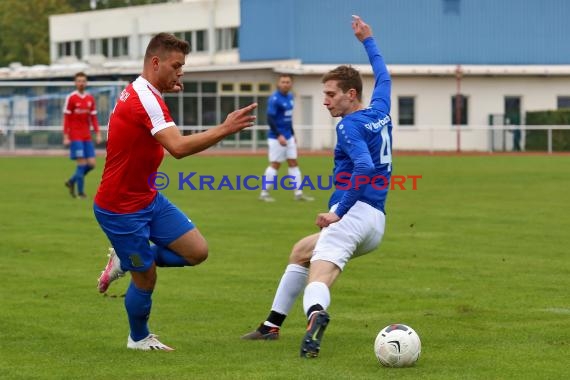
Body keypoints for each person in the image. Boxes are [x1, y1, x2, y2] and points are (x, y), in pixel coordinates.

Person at [93, 33, 257, 351]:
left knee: (196, 252)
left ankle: (126, 259)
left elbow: (155, 124)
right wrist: (225, 128)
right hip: (120, 209)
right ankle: (138, 338)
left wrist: (168, 85)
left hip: (147, 198)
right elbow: (178, 148)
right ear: (156, 62)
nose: (180, 73)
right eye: (176, 66)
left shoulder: (144, 90)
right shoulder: (146, 99)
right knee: (147, 278)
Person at [242, 15, 393, 359]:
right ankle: (270, 327)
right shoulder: (380, 110)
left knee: (318, 279)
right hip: (375, 221)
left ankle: (315, 317)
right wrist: (368, 40)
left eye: (330, 94)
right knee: (300, 252)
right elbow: (384, 75)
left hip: (351, 217)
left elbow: (365, 167)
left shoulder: (349, 127)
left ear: (350, 95)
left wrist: (335, 212)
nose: (325, 100)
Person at [259, 73, 313, 202]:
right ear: (278, 84)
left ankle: (298, 193)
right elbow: (270, 118)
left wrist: (292, 135)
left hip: (288, 136)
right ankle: (264, 193)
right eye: (283, 82)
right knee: (275, 164)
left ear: (291, 84)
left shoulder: (290, 97)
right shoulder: (274, 99)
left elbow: (288, 119)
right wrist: (279, 135)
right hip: (277, 137)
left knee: (293, 162)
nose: (285, 84)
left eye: (288, 82)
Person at [63, 72, 102, 198]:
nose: (81, 83)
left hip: (86, 136)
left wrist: (98, 133)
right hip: (75, 136)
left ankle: (71, 181)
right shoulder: (71, 98)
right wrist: (66, 135)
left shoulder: (90, 98)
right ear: (75, 83)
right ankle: (81, 193)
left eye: (83, 81)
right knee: (81, 164)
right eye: (79, 81)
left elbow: (94, 118)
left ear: (86, 83)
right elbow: (66, 118)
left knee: (91, 164)